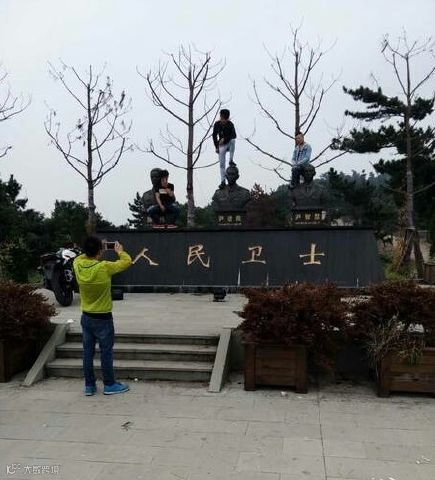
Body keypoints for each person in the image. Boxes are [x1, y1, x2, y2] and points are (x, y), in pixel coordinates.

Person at [73, 237, 132, 396]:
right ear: (100, 251)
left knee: (87, 352)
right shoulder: (104, 267)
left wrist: (96, 249)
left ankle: (89, 385)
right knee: (106, 352)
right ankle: (109, 384)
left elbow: (81, 256)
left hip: (86, 317)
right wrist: (120, 251)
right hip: (103, 318)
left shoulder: (77, 264)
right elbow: (127, 262)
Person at [212, 109, 237, 189]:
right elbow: (214, 135)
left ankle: (231, 160)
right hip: (221, 146)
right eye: (222, 118)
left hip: (228, 144)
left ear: (227, 119)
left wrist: (225, 139)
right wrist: (216, 147)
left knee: (233, 141)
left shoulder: (230, 124)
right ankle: (223, 181)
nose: (223, 121)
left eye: (225, 119)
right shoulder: (217, 124)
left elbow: (234, 135)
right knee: (222, 165)